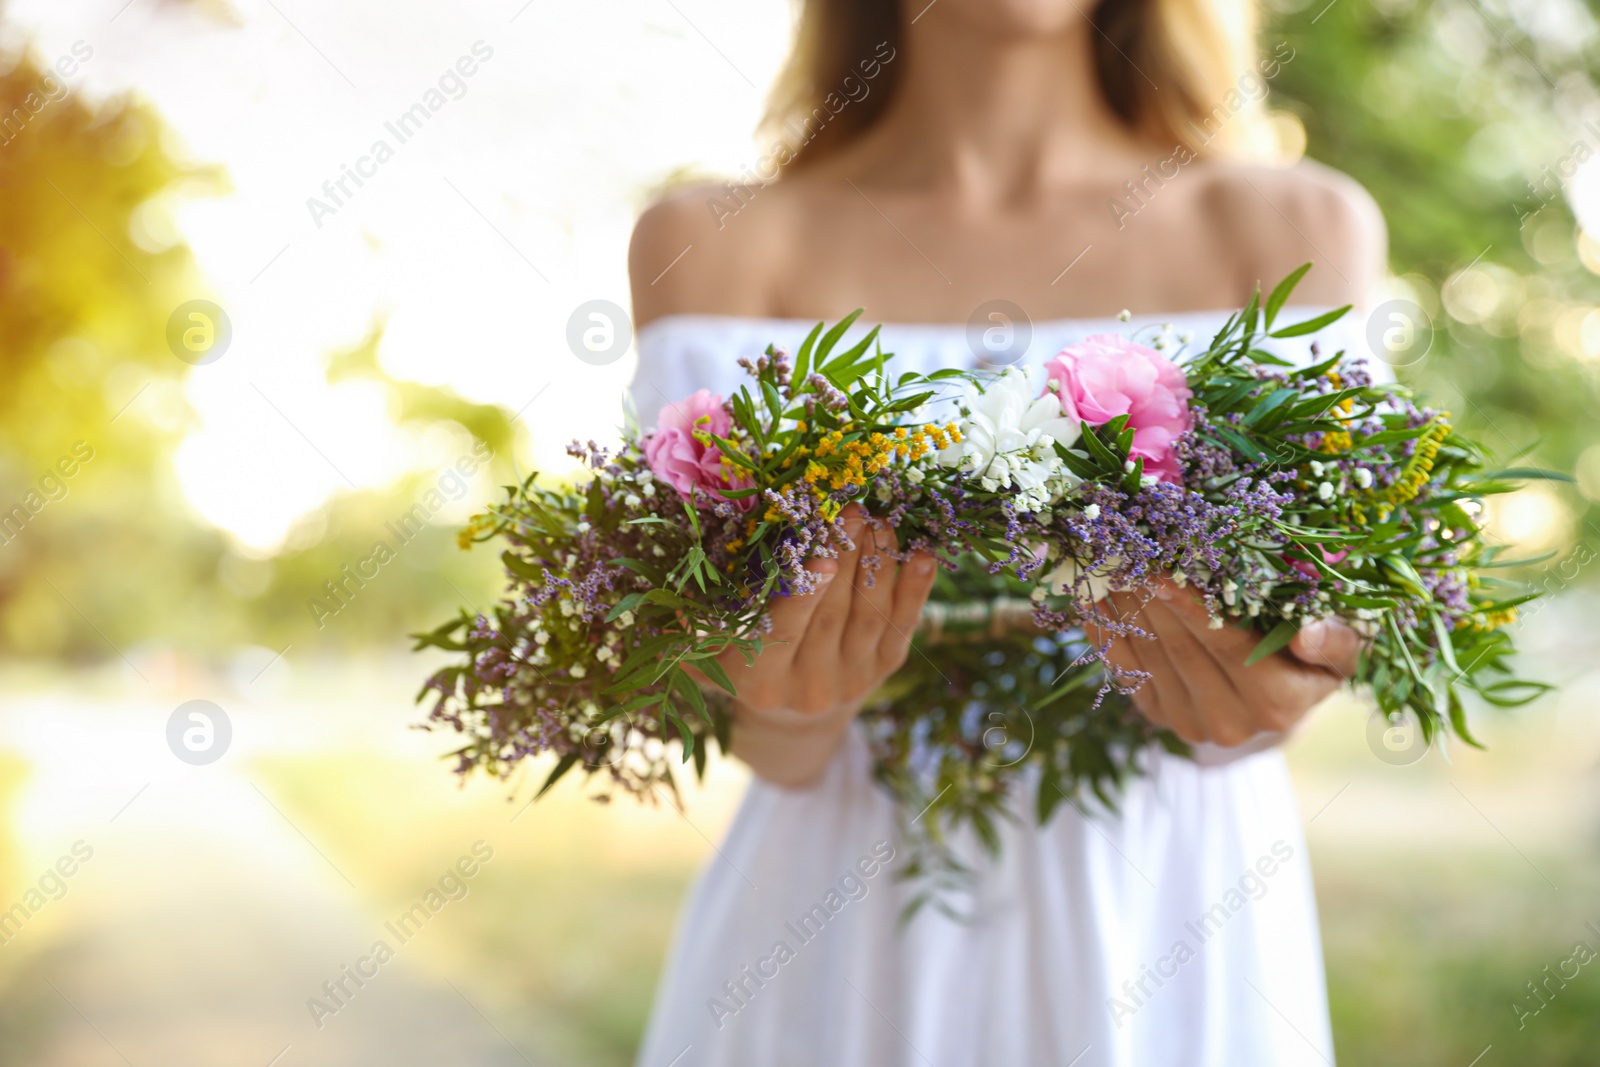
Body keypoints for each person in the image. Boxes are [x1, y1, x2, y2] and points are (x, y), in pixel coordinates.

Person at [626, 1, 1381, 1063]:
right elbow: (743, 717)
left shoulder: (1292, 230)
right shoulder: (708, 245)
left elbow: (1323, 618)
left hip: (1167, 918)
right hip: (834, 939)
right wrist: (781, 705)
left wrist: (1274, 683)